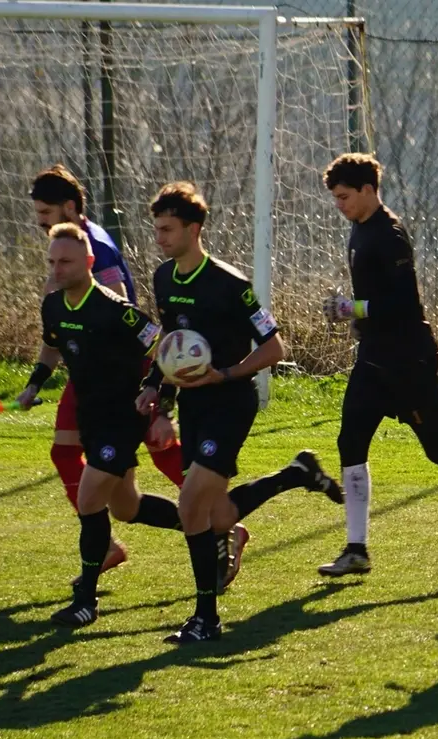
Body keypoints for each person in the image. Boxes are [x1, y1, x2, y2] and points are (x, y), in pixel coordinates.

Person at [137, 182, 343, 643]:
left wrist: (225, 373)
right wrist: (155, 391)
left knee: (190, 503)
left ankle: (206, 619)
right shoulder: (164, 278)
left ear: (194, 228)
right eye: (157, 229)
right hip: (193, 405)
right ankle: (295, 474)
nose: (160, 238)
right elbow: (170, 341)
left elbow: (274, 346)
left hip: (231, 402)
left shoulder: (232, 285)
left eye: (168, 229)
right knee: (216, 516)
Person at [319, 153, 438, 577]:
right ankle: (356, 549)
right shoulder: (358, 230)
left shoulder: (390, 235)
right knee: (350, 442)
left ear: (369, 190)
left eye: (345, 196)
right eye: (336, 198)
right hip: (373, 361)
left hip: (408, 362)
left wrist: (352, 307)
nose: (340, 205)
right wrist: (357, 318)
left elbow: (403, 304)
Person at [19, 164, 186, 579]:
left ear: (70, 208)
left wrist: (154, 389)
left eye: (47, 212)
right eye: (37, 213)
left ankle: (215, 517)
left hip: (118, 371)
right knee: (125, 500)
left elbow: (120, 309)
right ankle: (212, 520)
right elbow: (57, 330)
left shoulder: (93, 248)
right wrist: (36, 380)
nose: (40, 221)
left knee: (158, 448)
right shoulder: (68, 250)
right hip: (92, 371)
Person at [38, 223, 188, 627]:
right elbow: (52, 345)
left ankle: (86, 602)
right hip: (91, 418)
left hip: (123, 419)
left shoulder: (115, 309)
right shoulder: (53, 305)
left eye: (66, 261)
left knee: (89, 500)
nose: (57, 268)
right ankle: (205, 529)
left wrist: (158, 398)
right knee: (127, 507)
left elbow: (163, 345)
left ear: (88, 262)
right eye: (52, 261)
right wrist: (34, 384)